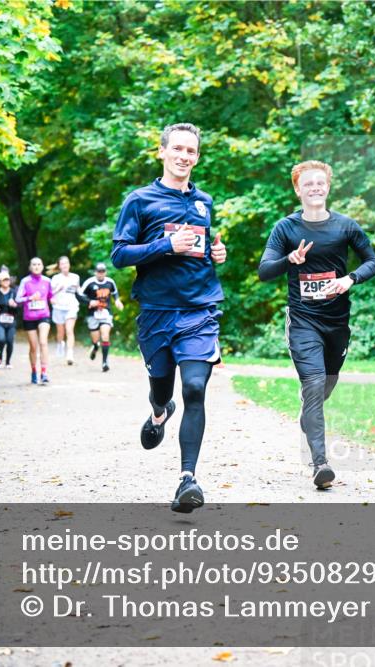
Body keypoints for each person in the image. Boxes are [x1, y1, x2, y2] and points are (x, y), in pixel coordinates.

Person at [111, 122, 227, 514]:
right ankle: (160, 411)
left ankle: (187, 479)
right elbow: (120, 254)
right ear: (162, 151)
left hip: (199, 310)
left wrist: (215, 253)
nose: (184, 156)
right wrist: (165, 245)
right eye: (177, 148)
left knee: (194, 387)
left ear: (197, 157)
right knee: (162, 389)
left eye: (191, 151)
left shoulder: (204, 201)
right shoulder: (139, 201)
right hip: (156, 313)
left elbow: (199, 248)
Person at [258, 160, 375, 489]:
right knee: (312, 385)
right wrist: (289, 260)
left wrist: (350, 279)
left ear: (328, 187)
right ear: (298, 190)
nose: (314, 187)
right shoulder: (285, 228)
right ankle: (320, 464)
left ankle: (308, 416)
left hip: (337, 323)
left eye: (320, 182)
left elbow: (373, 262)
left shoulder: (346, 226)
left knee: (325, 386)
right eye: (307, 183)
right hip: (302, 321)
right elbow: (264, 270)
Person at [15, 257, 54, 385]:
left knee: (43, 342)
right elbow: (18, 299)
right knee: (33, 346)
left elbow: (51, 296)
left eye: (38, 264)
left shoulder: (47, 281)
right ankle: (33, 371)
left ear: (42, 267)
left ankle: (44, 372)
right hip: (29, 317)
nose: (36, 266)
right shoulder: (25, 281)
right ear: (30, 267)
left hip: (44, 315)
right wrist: (29, 298)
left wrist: (53, 300)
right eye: (34, 264)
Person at [79, 262, 124, 372]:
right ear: (95, 272)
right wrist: (90, 301)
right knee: (95, 340)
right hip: (93, 314)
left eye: (103, 271)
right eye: (99, 271)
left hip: (106, 313)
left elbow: (115, 293)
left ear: (105, 272)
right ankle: (95, 347)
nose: (101, 273)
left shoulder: (110, 282)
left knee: (105, 336)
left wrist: (117, 301)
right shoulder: (89, 282)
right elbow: (79, 295)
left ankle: (105, 362)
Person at [50, 255, 81, 365]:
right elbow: (50, 294)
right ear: (59, 266)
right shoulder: (55, 278)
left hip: (71, 307)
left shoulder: (75, 277)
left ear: (69, 264)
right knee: (60, 332)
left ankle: (70, 354)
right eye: (62, 263)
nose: (65, 265)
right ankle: (60, 343)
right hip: (58, 307)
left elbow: (79, 291)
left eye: (66, 263)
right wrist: (58, 289)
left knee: (69, 330)